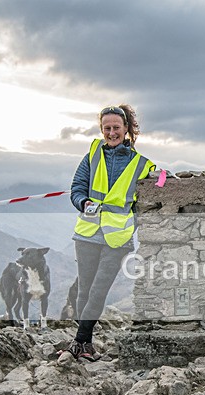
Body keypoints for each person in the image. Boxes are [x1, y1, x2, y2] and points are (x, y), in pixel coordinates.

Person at [58, 104, 155, 362]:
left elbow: (157, 189)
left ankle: (78, 342)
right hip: (88, 233)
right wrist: (83, 202)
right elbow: (77, 187)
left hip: (118, 238)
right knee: (84, 290)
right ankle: (87, 345)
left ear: (127, 129)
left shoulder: (142, 164)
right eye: (107, 128)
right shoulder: (92, 153)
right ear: (102, 129)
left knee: (99, 290)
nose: (111, 132)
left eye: (116, 128)